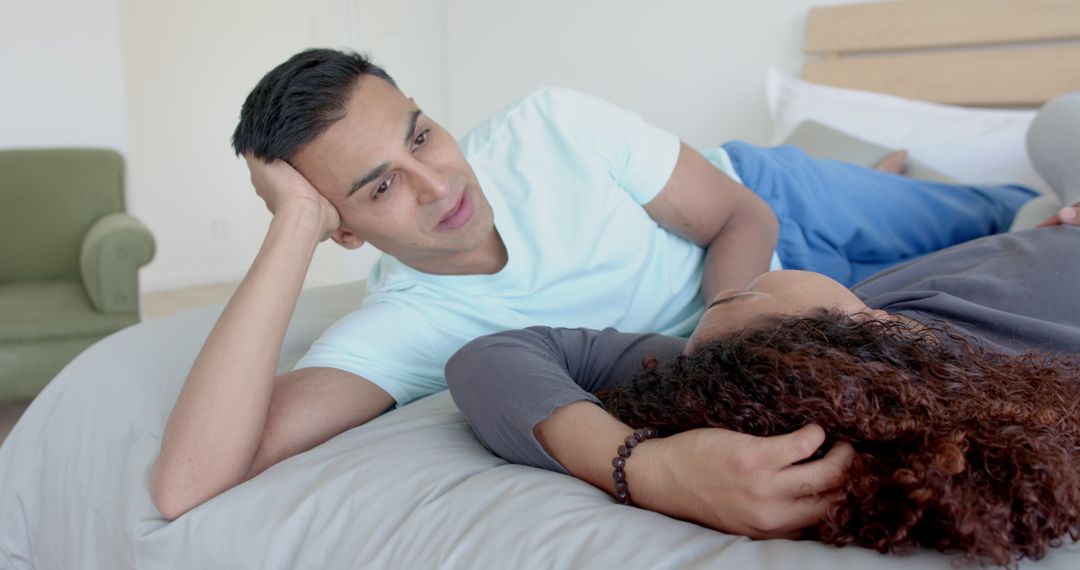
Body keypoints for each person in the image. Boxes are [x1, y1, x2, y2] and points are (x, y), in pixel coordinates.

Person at [149, 48, 1039, 520]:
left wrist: (725, 331)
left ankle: (888, 169)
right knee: (1002, 251)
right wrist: (289, 229)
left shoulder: (549, 126)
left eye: (420, 135)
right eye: (377, 186)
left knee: (1009, 205)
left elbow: (738, 219)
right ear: (340, 227)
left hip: (776, 203)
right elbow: (187, 484)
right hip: (810, 305)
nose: (436, 185)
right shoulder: (405, 326)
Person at [445, 215, 1080, 565]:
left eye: (732, 296)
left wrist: (638, 465)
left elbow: (492, 354)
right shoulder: (1037, 370)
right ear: (853, 343)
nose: (723, 293)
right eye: (745, 294)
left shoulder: (768, 358)